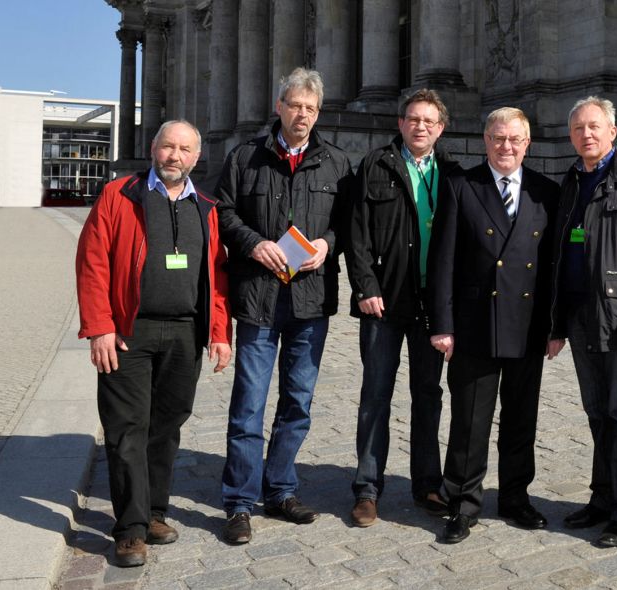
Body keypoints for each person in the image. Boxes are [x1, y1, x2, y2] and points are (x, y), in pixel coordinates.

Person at [76, 120, 232, 567]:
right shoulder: (119, 195)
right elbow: (92, 261)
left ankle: (155, 512)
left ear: (195, 158)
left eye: (184, 150)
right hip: (129, 331)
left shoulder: (206, 206)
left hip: (185, 332)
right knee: (127, 428)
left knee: (167, 425)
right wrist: (100, 326)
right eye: (168, 147)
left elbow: (216, 278)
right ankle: (129, 530)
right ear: (153, 148)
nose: (174, 156)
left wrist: (219, 332)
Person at [215, 67, 353, 544]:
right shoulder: (244, 157)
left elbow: (348, 224)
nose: (303, 115)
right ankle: (238, 502)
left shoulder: (335, 161)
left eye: (311, 109)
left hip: (309, 303)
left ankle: (280, 489)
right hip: (257, 298)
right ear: (280, 106)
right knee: (248, 406)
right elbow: (224, 213)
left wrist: (326, 244)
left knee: (297, 403)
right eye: (296, 105)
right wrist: (253, 243)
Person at [429, 107, 559, 543]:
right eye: (499, 138)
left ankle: (516, 497)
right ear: (486, 140)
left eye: (515, 140)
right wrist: (442, 324)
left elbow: (554, 267)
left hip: (526, 326)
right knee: (469, 421)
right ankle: (462, 504)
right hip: (473, 325)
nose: (507, 147)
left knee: (522, 418)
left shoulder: (546, 192)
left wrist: (555, 326)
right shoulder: (462, 186)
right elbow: (442, 261)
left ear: (528, 144)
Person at [547, 96, 617, 548]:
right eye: (578, 129)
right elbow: (558, 254)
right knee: (596, 412)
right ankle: (602, 497)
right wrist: (556, 323)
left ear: (613, 132)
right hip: (578, 316)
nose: (586, 135)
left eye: (594, 127)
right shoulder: (571, 180)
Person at [345, 89, 459, 527]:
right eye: (413, 119)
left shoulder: (451, 172)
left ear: (441, 127)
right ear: (401, 124)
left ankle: (427, 484)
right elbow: (356, 234)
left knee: (428, 395)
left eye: (429, 121)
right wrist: (364, 286)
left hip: (432, 304)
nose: (421, 127)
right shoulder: (376, 164)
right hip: (383, 302)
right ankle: (367, 488)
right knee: (375, 395)